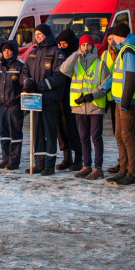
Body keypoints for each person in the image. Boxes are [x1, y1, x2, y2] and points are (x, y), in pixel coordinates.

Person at [101, 22, 135, 185]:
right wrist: (104, 88)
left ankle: (132, 173)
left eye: (113, 37)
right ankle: (123, 169)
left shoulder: (128, 51)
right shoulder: (122, 51)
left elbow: (131, 77)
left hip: (126, 102)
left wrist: (125, 101)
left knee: (127, 137)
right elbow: (116, 76)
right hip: (118, 101)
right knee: (120, 136)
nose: (111, 40)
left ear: (120, 36)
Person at [64, 35, 111, 180]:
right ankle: (86, 165)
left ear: (92, 47)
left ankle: (98, 167)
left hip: (95, 105)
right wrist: (75, 54)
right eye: (83, 45)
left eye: (88, 45)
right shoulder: (75, 62)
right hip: (79, 106)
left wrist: (93, 95)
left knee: (96, 137)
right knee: (83, 137)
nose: (85, 48)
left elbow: (107, 83)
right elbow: (63, 69)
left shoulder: (100, 63)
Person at [24, 24, 67, 175]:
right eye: (36, 34)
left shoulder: (57, 53)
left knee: (49, 133)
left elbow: (59, 76)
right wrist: (27, 82)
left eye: (40, 34)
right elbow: (25, 70)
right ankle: (39, 163)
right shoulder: (32, 52)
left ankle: (49, 165)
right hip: (35, 100)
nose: (37, 36)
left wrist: (40, 86)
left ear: (47, 35)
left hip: (49, 99)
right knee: (37, 133)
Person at [0, 40, 32, 170]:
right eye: (4, 50)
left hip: (14, 106)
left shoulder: (20, 67)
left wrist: (23, 106)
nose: (6, 52)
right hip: (1, 106)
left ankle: (14, 161)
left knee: (15, 134)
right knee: (4, 134)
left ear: (14, 51)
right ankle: (6, 159)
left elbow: (25, 87)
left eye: (9, 50)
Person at [55, 29, 83, 171]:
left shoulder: (78, 55)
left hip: (74, 96)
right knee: (61, 127)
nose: (62, 46)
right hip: (60, 95)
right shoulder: (59, 54)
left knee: (74, 128)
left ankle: (79, 157)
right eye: (60, 44)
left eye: (64, 44)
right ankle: (67, 157)